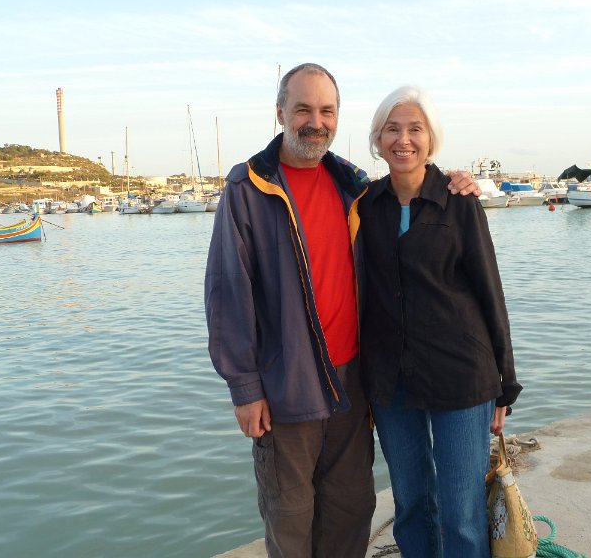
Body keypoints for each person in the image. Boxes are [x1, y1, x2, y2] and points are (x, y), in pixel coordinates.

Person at [204, 64, 479, 558]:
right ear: (280, 112)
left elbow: (412, 196)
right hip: (287, 387)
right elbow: (228, 294)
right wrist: (245, 389)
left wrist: (457, 180)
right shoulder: (248, 190)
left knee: (350, 513)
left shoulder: (354, 187)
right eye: (303, 109)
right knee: (291, 520)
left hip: (353, 386)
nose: (316, 122)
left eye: (326, 111)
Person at [358, 85, 523, 558]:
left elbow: (490, 291)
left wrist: (505, 384)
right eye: (392, 129)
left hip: (462, 376)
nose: (403, 139)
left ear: (431, 138)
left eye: (416, 129)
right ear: (377, 138)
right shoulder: (364, 205)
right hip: (392, 380)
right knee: (411, 503)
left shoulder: (459, 200)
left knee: (461, 510)